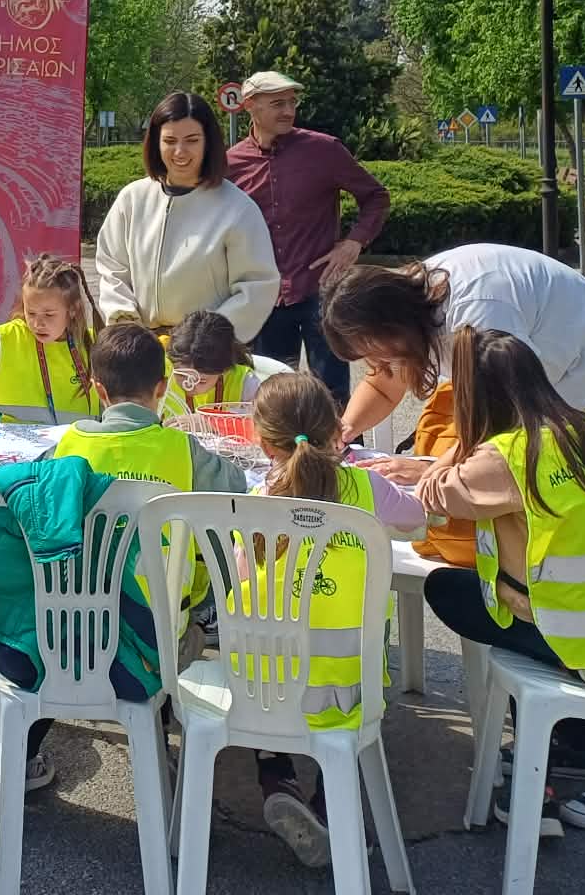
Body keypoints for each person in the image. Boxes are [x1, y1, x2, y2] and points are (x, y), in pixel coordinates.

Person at [320, 239, 585, 742]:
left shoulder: (478, 314)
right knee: (554, 569)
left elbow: (494, 430)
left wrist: (437, 473)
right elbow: (393, 385)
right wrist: (341, 436)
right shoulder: (412, 303)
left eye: (380, 352)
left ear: (395, 326)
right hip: (572, 418)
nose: (380, 366)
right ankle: (574, 740)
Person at [417, 327, 585, 837]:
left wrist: (462, 442)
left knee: (447, 590)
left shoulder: (510, 455)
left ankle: (544, 768)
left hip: (573, 636)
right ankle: (564, 745)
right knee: (512, 598)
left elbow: (433, 495)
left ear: (479, 400)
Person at [240, 369, 424, 869]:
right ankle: (328, 801)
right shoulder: (366, 488)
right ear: (336, 430)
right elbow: (419, 520)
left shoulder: (256, 503)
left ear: (263, 443)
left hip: (267, 686)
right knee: (339, 719)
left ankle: (278, 779)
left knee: (259, 682)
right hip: (351, 686)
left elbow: (240, 585)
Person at [225, 70, 390, 406]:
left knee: (332, 395)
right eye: (277, 103)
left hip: (320, 289)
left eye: (292, 102)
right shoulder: (230, 165)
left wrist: (353, 242)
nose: (288, 110)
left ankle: (341, 453)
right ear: (250, 106)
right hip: (264, 296)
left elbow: (375, 196)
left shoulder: (324, 150)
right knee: (272, 393)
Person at [93, 90, 279, 340]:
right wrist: (125, 320)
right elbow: (111, 267)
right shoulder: (133, 199)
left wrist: (206, 338)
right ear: (156, 142)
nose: (180, 151)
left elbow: (257, 286)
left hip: (206, 356)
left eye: (192, 140)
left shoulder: (237, 209)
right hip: (140, 348)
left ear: (208, 143)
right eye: (170, 141)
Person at [52, 321, 249, 498]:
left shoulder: (70, 442)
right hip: (168, 540)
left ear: (98, 390)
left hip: (89, 540)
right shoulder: (184, 448)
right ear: (162, 388)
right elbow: (238, 484)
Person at [0, 254, 100, 420]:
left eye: (49, 314)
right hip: (9, 443)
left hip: (75, 444)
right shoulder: (6, 338)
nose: (38, 323)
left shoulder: (95, 344)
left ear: (73, 309)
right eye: (31, 313)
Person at [161, 308, 291, 418]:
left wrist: (211, 423)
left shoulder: (245, 384)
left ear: (224, 370)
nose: (189, 385)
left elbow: (262, 425)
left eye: (202, 381)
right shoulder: (160, 372)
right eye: (181, 375)